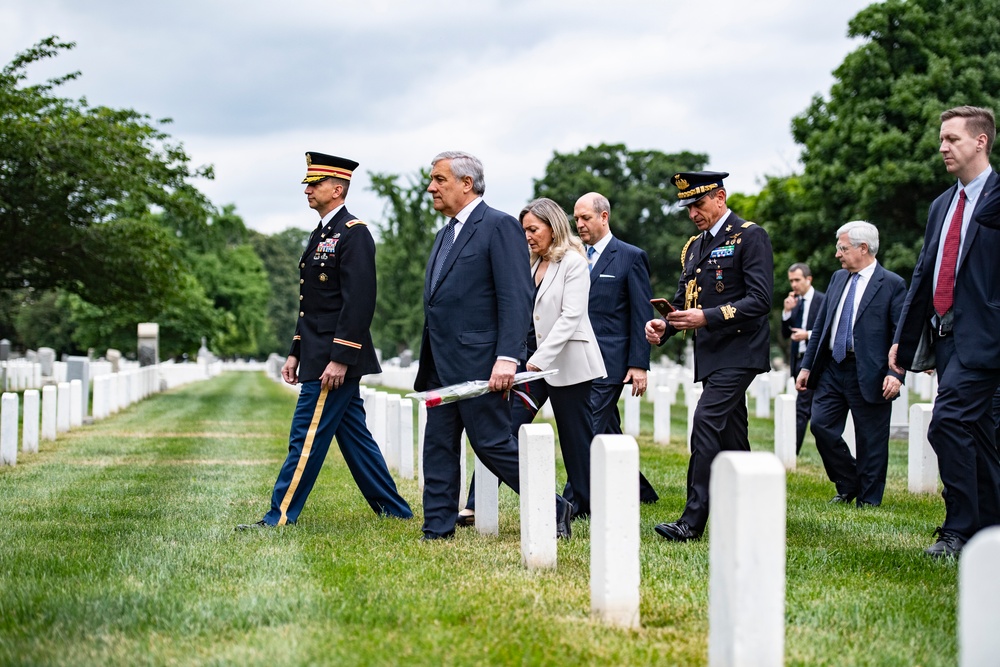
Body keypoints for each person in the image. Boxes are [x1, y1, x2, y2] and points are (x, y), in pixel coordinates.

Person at [237, 152, 412, 530]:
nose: (308, 190)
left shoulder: (354, 233)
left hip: (333, 360)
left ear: (337, 188)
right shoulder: (321, 234)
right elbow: (313, 305)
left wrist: (341, 357)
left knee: (306, 438)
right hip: (316, 353)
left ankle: (278, 516)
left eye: (314, 184)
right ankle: (395, 511)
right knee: (356, 440)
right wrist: (295, 351)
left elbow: (359, 302)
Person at [415, 151, 573, 540]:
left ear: (466, 184)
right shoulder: (444, 234)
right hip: (440, 362)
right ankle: (437, 527)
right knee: (437, 444)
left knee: (491, 445)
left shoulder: (499, 226)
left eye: (439, 180)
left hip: (481, 363)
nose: (431, 187)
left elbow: (515, 297)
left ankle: (554, 508)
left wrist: (507, 357)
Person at [889, 105, 1000, 558]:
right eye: (941, 139)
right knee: (978, 434)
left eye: (952, 139)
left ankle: (958, 530)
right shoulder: (941, 205)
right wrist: (904, 336)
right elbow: (924, 275)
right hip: (946, 337)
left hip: (987, 336)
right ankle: (989, 526)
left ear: (980, 141)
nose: (942, 147)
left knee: (948, 423)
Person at [645, 171, 773, 541]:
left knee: (705, 423)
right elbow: (686, 300)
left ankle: (691, 521)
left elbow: (760, 300)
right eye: (688, 207)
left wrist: (707, 317)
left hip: (740, 349)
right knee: (733, 435)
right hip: (711, 353)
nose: (693, 213)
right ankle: (755, 507)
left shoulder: (750, 236)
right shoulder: (695, 247)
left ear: (721, 197)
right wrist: (666, 327)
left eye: (698, 204)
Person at [796, 221, 905, 507]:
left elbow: (900, 335)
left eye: (842, 248)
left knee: (871, 439)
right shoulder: (837, 279)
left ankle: (868, 500)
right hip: (833, 366)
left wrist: (896, 374)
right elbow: (821, 325)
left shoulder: (892, 284)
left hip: (871, 371)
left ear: (863, 248)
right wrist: (807, 367)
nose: (837, 254)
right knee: (821, 426)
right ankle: (849, 481)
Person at [573, 192, 660, 506]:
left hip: (611, 361)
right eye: (577, 218)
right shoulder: (573, 256)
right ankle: (640, 491)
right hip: (578, 358)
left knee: (586, 430)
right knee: (607, 428)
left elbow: (641, 313)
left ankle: (572, 502)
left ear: (604, 216)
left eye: (586, 218)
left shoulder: (630, 256)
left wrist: (639, 363)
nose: (579, 224)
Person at [781, 263, 826, 453]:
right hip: (797, 360)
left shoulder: (823, 300)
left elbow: (826, 330)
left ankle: (792, 453)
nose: (794, 285)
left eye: (797, 280)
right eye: (791, 281)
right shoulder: (794, 302)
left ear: (809, 279)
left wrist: (807, 334)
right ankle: (792, 452)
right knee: (802, 408)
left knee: (803, 409)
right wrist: (787, 313)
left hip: (816, 362)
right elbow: (785, 334)